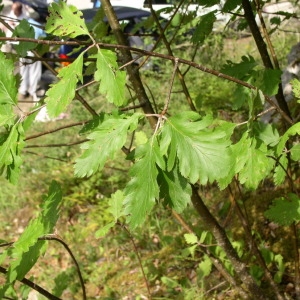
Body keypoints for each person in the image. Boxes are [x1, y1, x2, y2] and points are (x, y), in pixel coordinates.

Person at [18, 14, 46, 101]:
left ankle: (22, 92)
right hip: (34, 52)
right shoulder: (39, 26)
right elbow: (44, 39)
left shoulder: (23, 24)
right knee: (34, 72)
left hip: (23, 51)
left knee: (23, 71)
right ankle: (32, 91)